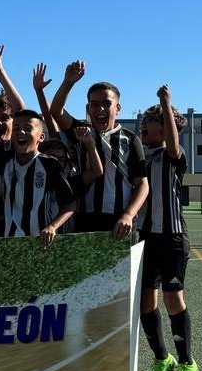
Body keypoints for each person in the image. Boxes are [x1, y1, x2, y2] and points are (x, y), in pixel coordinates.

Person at [137, 86, 198, 371]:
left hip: (171, 236)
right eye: (144, 120)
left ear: (165, 127)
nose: (143, 125)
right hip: (144, 237)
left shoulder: (173, 155)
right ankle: (163, 357)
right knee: (146, 302)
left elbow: (174, 146)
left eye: (152, 121)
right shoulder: (137, 155)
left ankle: (187, 362)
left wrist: (166, 103)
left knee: (174, 298)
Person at [48, 61, 149, 240]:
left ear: (117, 108)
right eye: (94, 104)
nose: (100, 109)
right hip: (85, 217)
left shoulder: (130, 138)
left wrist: (128, 214)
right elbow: (55, 111)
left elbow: (142, 183)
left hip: (119, 219)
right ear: (88, 108)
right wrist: (68, 82)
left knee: (120, 269)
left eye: (106, 103)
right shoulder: (81, 132)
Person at [0, 108, 75, 247]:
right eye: (16, 128)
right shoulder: (4, 160)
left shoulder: (49, 164)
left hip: (40, 242)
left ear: (41, 137)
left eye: (28, 128)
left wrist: (52, 227)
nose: (21, 132)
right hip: (11, 242)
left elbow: (70, 204)